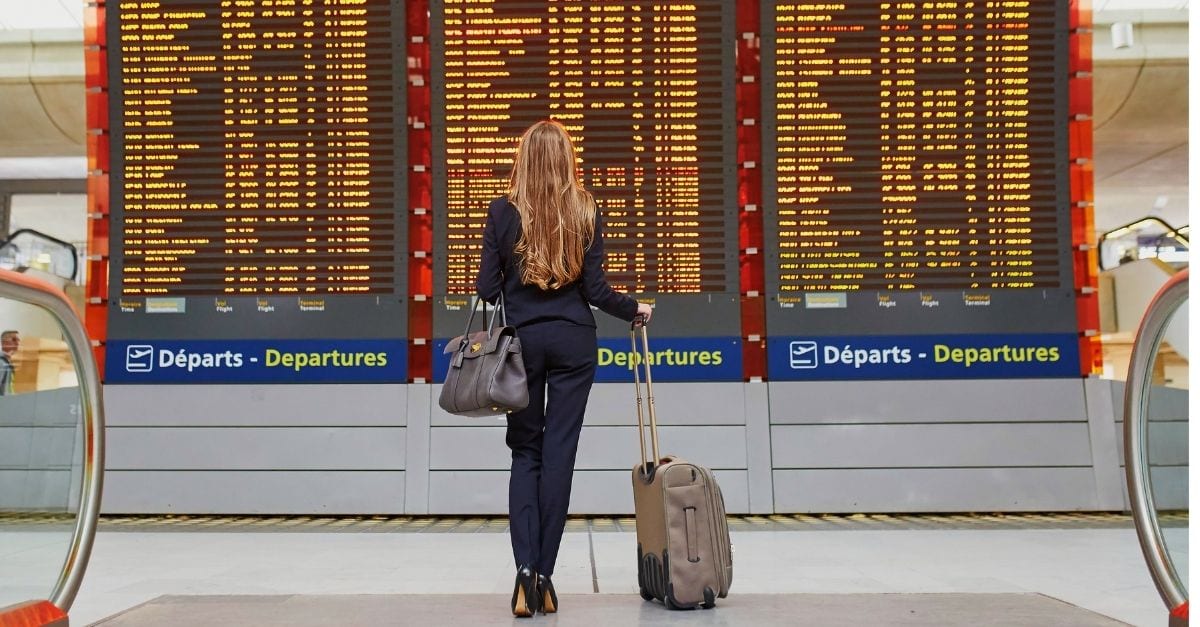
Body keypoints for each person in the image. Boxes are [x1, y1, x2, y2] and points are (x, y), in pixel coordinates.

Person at [476, 120, 653, 617]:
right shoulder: (587, 208)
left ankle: (524, 574)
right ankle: (547, 577)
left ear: (524, 158)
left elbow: (488, 291)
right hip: (575, 343)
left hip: (522, 348)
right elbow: (595, 291)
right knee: (559, 455)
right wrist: (634, 308)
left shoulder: (502, 211)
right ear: (567, 159)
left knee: (524, 453)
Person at [0, 330, 19, 395]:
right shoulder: (1, 362)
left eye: (18, 340)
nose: (17, 343)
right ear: (4, 343)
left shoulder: (7, 363)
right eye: (14, 340)